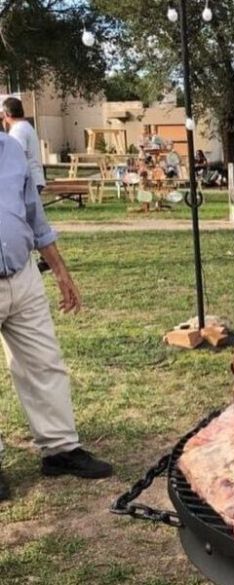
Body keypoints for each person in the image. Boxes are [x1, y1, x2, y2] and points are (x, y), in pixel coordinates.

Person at [0, 133, 113, 501]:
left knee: (44, 363)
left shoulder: (12, 149)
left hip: (23, 274)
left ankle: (60, 449)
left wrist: (61, 271)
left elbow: (35, 215)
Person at [3, 96, 45, 194]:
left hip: (27, 182)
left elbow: (17, 156)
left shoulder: (18, 130)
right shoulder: (26, 127)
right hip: (34, 178)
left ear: (7, 114)